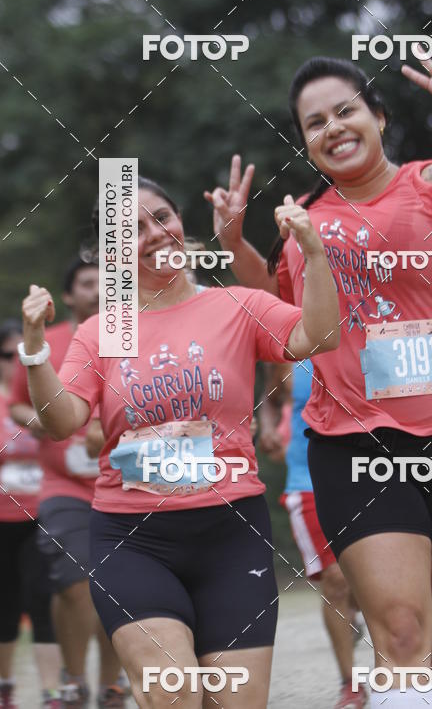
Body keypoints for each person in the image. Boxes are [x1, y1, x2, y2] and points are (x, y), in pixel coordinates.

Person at [204, 53, 432, 708]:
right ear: (306, 142)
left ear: (378, 115)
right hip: (351, 444)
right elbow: (284, 326)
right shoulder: (303, 225)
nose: (333, 127)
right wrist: (236, 243)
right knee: (401, 632)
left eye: (346, 110)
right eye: (314, 122)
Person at [20, 176, 340, 709]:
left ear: (181, 222)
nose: (152, 234)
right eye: (132, 229)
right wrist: (34, 352)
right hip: (134, 539)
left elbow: (320, 335)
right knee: (175, 696)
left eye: (161, 217)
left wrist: (313, 250)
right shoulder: (103, 331)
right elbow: (61, 420)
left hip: (231, 531)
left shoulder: (236, 306)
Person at [10, 259, 124, 708]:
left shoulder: (133, 337)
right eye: (85, 283)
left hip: (124, 482)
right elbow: (18, 404)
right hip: (63, 486)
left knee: (117, 586)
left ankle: (112, 684)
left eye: (104, 283)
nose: (96, 290)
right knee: (76, 583)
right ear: (69, 295)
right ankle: (74, 680)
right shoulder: (46, 342)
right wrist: (38, 421)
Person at [259, 360, 367, 708]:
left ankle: (364, 616)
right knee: (336, 579)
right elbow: (272, 396)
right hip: (307, 482)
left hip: (366, 475)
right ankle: (351, 684)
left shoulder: (367, 333)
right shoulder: (293, 351)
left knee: (368, 580)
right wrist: (268, 427)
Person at [0, 319, 62, 709]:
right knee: (5, 605)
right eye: (8, 355)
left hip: (42, 513)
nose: (15, 363)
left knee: (43, 599)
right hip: (1, 520)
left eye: (22, 356)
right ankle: (5, 688)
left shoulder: (45, 399)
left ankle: (53, 693)